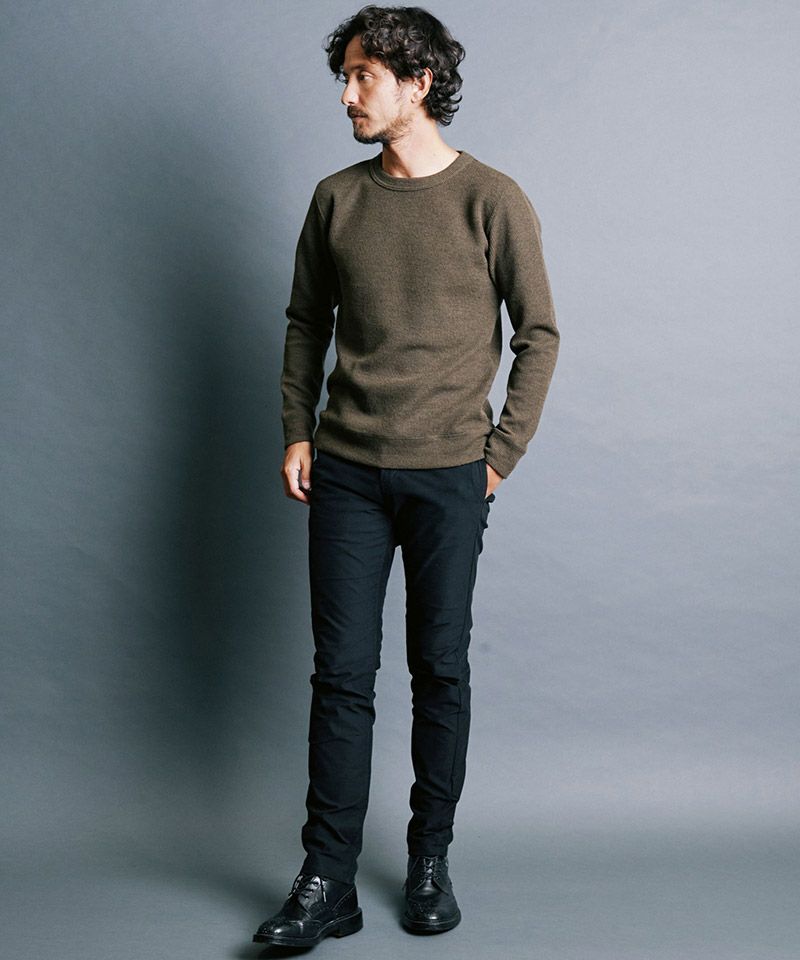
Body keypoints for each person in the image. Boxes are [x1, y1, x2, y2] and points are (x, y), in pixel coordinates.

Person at [253, 4, 560, 948]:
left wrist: (498, 457)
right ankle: (326, 881)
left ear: (418, 83)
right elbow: (306, 321)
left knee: (440, 671)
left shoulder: (491, 199)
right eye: (344, 77)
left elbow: (539, 334)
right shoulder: (335, 199)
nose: (347, 95)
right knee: (341, 678)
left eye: (364, 77)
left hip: (449, 476)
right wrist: (297, 429)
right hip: (346, 471)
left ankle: (430, 861)